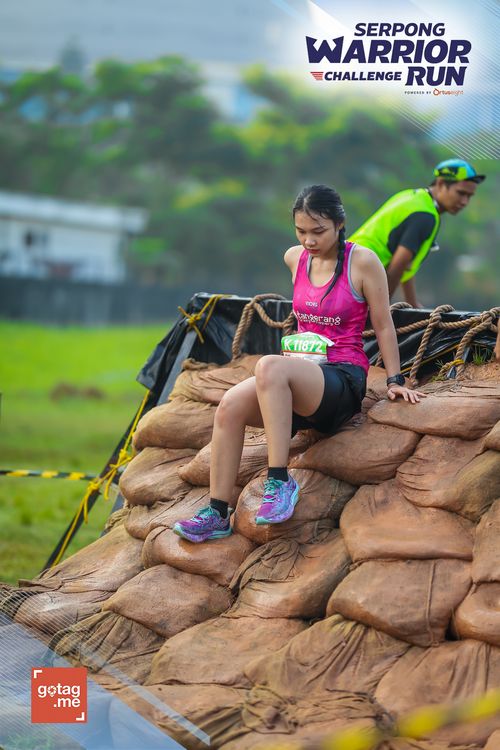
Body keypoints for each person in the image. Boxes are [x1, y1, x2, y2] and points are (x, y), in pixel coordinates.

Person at [173, 184, 425, 544]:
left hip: (340, 378)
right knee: (229, 406)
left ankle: (279, 481)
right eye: (301, 231)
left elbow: (384, 325)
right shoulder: (295, 258)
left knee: (269, 366)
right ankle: (217, 512)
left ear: (340, 224)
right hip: (299, 375)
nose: (308, 240)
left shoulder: (363, 262)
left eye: (318, 231)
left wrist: (395, 380)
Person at [349, 158, 486, 308]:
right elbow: (397, 267)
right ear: (441, 184)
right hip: (355, 276)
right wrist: (380, 310)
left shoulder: (413, 196)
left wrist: (412, 303)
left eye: (469, 196)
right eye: (461, 193)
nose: (465, 202)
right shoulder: (426, 216)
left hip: (344, 267)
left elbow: (407, 263)